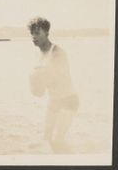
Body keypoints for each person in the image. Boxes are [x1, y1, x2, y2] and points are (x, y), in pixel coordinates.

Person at [28, 17, 79, 154]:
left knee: (58, 140)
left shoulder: (57, 53)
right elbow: (39, 92)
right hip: (54, 101)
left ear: (47, 33)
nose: (33, 36)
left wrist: (39, 78)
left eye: (37, 33)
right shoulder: (39, 55)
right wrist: (34, 82)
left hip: (68, 100)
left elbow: (59, 79)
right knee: (47, 139)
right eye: (32, 33)